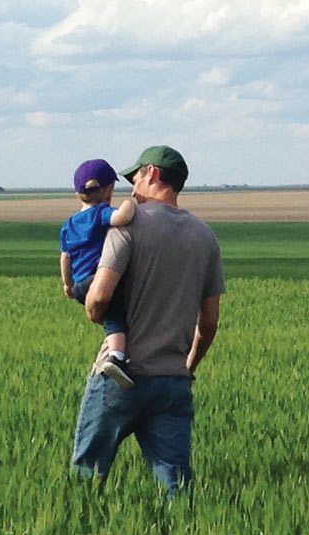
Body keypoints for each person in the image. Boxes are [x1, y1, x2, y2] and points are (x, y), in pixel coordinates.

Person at [71, 145, 225, 497]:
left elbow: (100, 296)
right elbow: (211, 322)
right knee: (175, 487)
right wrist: (187, 367)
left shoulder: (129, 225)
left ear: (153, 173)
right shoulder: (206, 236)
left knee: (87, 478)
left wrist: (94, 312)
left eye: (136, 177)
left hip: (120, 378)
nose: (132, 187)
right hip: (172, 380)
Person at [59, 159, 137, 388]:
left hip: (81, 284)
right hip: (98, 279)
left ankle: (117, 353)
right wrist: (130, 203)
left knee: (109, 317)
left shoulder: (69, 224)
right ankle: (117, 358)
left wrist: (68, 285)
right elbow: (123, 218)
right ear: (107, 191)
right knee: (116, 319)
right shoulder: (100, 213)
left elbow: (65, 258)